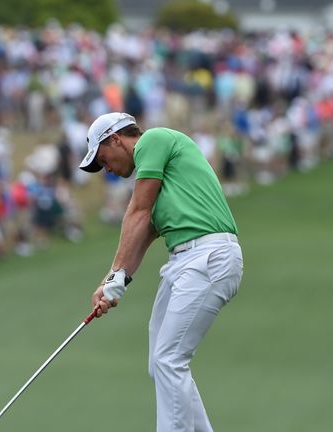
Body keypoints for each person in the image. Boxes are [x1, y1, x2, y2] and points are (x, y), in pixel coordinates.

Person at [79, 112, 243, 432]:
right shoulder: (160, 181)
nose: (107, 170)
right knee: (161, 363)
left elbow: (138, 213)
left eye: (103, 160)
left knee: (170, 360)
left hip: (208, 256)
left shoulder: (154, 140)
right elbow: (146, 229)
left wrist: (115, 274)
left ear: (115, 139)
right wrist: (116, 280)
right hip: (184, 263)